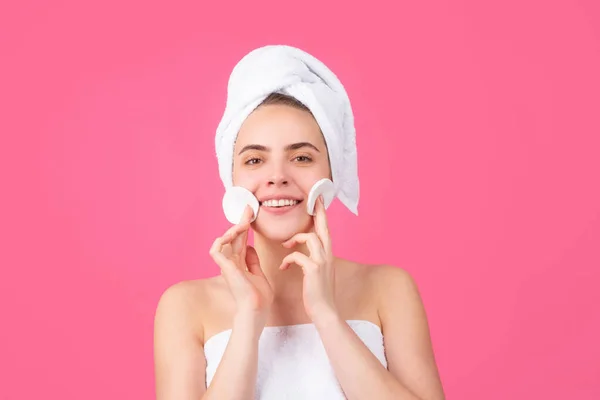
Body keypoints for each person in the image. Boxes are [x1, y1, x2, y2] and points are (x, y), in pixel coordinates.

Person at [154, 46, 445, 400]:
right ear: (231, 179)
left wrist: (325, 314)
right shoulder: (185, 306)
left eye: (302, 157)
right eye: (255, 159)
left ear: (331, 172)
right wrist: (249, 316)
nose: (277, 177)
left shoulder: (389, 289)